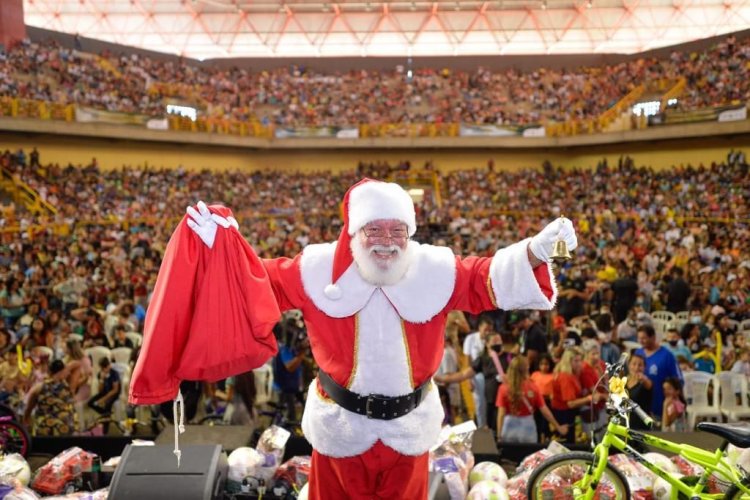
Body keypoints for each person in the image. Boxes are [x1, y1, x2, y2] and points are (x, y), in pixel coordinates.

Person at [133, 179, 577, 498]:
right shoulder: (315, 268)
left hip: (408, 433)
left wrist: (534, 251)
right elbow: (252, 282)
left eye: (397, 231)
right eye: (375, 230)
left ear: (411, 232)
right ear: (354, 232)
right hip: (339, 432)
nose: (387, 241)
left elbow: (486, 280)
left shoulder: (437, 269)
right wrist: (218, 244)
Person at [496, 356, 568, 443]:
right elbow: (545, 411)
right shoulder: (533, 387)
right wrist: (558, 427)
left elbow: (501, 414)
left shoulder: (504, 388)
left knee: (509, 455)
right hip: (527, 426)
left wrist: (499, 435)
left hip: (509, 426)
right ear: (526, 369)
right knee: (528, 454)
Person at [550, 347, 602, 443]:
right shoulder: (566, 377)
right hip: (563, 414)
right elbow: (571, 404)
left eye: (580, 360)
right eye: (576, 361)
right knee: (566, 443)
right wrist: (588, 398)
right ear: (568, 361)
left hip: (566, 412)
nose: (579, 364)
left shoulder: (571, 373)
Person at [635, 325, 682, 418]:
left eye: (644, 338)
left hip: (660, 405)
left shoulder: (667, 356)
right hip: (641, 406)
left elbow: (677, 380)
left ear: (653, 337)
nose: (641, 341)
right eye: (639, 338)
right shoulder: (638, 353)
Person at [24, 359, 75, 436]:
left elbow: (29, 407)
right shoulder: (67, 388)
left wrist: (26, 420)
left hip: (44, 427)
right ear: (63, 371)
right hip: (65, 428)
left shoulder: (39, 387)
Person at [463, 316, 493, 428]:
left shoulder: (492, 339)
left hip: (490, 377)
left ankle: (490, 427)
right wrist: (468, 380)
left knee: (490, 403)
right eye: (486, 329)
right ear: (479, 327)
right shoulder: (470, 339)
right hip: (476, 376)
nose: (488, 332)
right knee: (480, 404)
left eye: (490, 330)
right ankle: (481, 428)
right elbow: (467, 361)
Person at [88, 357, 121, 430]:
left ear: (109, 365)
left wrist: (103, 399)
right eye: (102, 368)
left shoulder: (114, 373)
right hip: (104, 392)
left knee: (107, 404)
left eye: (105, 367)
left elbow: (115, 390)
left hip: (114, 393)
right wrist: (102, 380)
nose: (104, 370)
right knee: (90, 403)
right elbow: (100, 390)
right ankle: (106, 414)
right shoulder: (101, 373)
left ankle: (105, 429)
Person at [625, 353, 653, 430]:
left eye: (640, 365)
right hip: (625, 423)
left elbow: (649, 385)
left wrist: (644, 379)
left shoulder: (645, 382)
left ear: (644, 367)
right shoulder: (623, 381)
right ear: (629, 365)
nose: (636, 368)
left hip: (640, 426)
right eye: (634, 364)